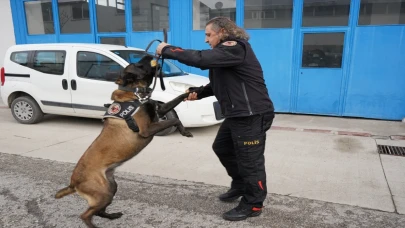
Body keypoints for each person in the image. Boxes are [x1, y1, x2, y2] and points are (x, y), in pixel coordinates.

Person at [156, 17, 275, 221]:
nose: (206, 40)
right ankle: (239, 185)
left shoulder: (235, 47)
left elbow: (200, 58)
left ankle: (253, 204)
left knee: (250, 162)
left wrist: (168, 50)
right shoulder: (225, 56)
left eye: (208, 35)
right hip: (238, 114)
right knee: (222, 148)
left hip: (251, 115)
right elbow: (220, 83)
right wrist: (198, 93)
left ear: (222, 32)